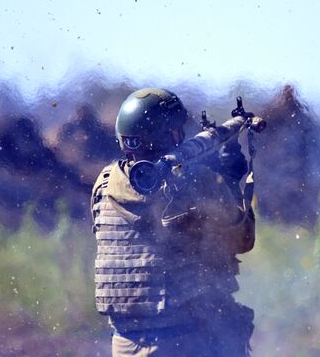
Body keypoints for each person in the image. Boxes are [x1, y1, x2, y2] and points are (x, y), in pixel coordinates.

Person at [91, 88, 256, 357]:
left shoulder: (104, 182)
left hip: (125, 345)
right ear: (169, 136)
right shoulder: (193, 182)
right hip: (186, 343)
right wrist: (228, 177)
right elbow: (243, 239)